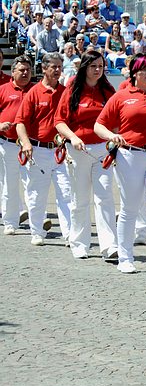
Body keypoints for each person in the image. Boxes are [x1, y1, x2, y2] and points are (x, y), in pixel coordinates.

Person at [94, 53, 146, 276]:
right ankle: (125, 257)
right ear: (134, 73)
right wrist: (112, 136)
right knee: (130, 208)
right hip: (129, 155)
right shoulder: (121, 96)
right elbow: (99, 125)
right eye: (144, 69)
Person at [54, 50, 119, 261]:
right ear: (85, 67)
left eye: (101, 66)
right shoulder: (73, 88)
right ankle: (79, 243)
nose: (98, 70)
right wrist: (72, 138)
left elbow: (117, 120)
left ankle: (109, 245)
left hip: (102, 151)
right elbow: (59, 121)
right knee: (80, 199)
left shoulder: (107, 91)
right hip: (78, 150)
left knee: (105, 198)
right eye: (93, 66)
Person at [14, 53, 72, 246]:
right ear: (44, 69)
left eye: (59, 67)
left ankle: (69, 234)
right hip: (38, 150)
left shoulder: (66, 92)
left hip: (61, 151)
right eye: (53, 67)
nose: (57, 70)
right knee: (37, 194)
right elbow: (20, 122)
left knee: (66, 193)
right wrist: (26, 143)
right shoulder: (34, 93)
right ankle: (37, 232)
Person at [0, 56, 35, 235]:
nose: (25, 73)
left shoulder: (36, 91)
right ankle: (10, 222)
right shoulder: (3, 90)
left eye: (28, 70)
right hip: (8, 144)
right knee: (10, 184)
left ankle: (36, 222)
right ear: (12, 72)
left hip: (32, 145)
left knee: (33, 185)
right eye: (21, 70)